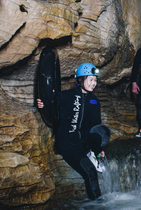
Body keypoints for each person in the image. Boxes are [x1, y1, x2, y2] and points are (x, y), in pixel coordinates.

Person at [37, 62, 110, 200]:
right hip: (68, 144)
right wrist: (41, 103)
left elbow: (96, 126)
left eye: (95, 80)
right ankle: (98, 209)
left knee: (104, 131)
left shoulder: (94, 101)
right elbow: (49, 102)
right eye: (90, 79)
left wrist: (98, 147)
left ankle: (93, 155)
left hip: (83, 141)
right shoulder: (67, 96)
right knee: (90, 171)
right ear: (80, 80)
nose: (94, 83)